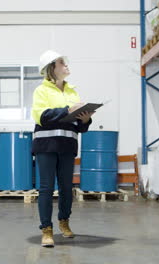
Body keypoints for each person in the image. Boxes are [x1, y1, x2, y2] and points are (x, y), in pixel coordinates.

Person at [31, 50, 94, 247]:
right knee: (46, 188)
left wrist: (85, 120)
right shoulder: (41, 91)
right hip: (47, 146)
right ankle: (46, 229)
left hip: (67, 145)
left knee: (67, 188)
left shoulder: (73, 91)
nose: (66, 65)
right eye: (61, 62)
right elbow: (42, 117)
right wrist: (67, 110)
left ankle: (64, 222)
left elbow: (79, 126)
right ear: (51, 68)